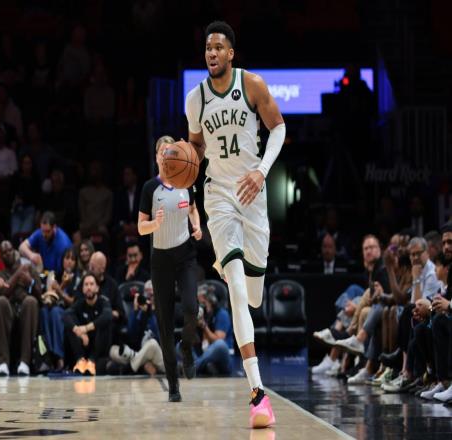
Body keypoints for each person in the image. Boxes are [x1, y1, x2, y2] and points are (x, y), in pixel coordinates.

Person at [185, 21, 285, 427]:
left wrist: (261, 171)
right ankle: (258, 394)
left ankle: (237, 270)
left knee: (253, 296)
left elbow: (278, 128)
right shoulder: (195, 99)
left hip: (253, 193)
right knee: (237, 288)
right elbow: (195, 148)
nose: (211, 53)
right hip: (219, 196)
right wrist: (181, 166)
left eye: (218, 47)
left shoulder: (252, 85)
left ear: (231, 53)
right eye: (207, 47)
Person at [138, 135, 203, 402]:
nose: (167, 156)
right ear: (157, 157)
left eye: (170, 151)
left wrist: (197, 225)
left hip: (185, 255)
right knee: (164, 323)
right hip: (161, 260)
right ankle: (173, 385)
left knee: (192, 308)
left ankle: (186, 346)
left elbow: (194, 210)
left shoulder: (186, 180)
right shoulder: (149, 188)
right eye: (163, 152)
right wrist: (154, 224)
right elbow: (141, 227)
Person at [0, 241, 41, 376]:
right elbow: (3, 292)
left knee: (31, 301)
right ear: (1, 257)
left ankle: (25, 362)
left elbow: (41, 295)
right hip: (9, 312)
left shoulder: (29, 269)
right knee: (0, 301)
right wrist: (18, 274)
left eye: (10, 250)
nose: (8, 254)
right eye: (4, 253)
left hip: (26, 310)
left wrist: (30, 282)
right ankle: (3, 363)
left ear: (14, 251)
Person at [63, 273, 112, 376]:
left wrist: (86, 328)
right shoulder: (80, 303)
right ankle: (80, 360)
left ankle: (92, 361)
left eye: (91, 284)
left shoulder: (103, 301)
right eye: (86, 284)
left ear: (97, 288)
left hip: (99, 349)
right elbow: (66, 315)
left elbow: (108, 316)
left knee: (103, 324)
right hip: (85, 345)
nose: (89, 287)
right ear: (82, 289)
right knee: (70, 325)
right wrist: (78, 331)